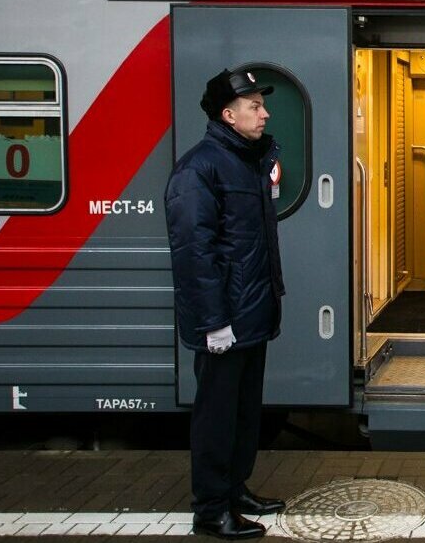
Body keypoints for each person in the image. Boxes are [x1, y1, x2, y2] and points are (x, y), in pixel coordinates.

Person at [165, 69, 287, 540]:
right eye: (254, 106)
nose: (264, 113)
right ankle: (211, 509)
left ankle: (236, 490)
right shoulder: (199, 170)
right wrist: (215, 323)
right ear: (228, 114)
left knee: (243, 411)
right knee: (216, 416)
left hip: (251, 314)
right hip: (225, 323)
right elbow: (195, 254)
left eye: (262, 105)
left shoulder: (248, 162)